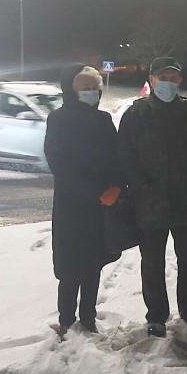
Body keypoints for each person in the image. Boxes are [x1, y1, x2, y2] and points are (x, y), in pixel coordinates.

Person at [117, 57, 187, 337]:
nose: (168, 83)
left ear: (180, 82)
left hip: (186, 200)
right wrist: (140, 188)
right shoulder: (136, 115)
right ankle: (156, 315)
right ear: (151, 80)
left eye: (173, 78)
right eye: (163, 78)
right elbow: (125, 157)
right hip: (150, 203)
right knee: (152, 262)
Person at [44, 64, 122, 336]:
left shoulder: (103, 120)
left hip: (101, 206)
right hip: (71, 204)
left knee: (93, 263)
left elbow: (116, 157)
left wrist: (115, 187)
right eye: (84, 88)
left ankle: (88, 317)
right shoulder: (59, 120)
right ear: (71, 90)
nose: (91, 93)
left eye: (94, 88)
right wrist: (93, 191)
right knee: (70, 267)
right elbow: (59, 163)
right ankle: (66, 319)